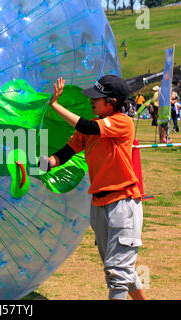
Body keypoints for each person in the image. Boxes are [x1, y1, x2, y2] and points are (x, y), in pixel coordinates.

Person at [40, 75, 146, 300]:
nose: (92, 101)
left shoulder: (121, 121)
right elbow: (63, 154)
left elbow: (87, 125)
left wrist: (55, 105)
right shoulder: (91, 129)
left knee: (117, 272)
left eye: (97, 98)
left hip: (122, 203)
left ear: (112, 102)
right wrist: (37, 165)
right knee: (122, 269)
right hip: (99, 205)